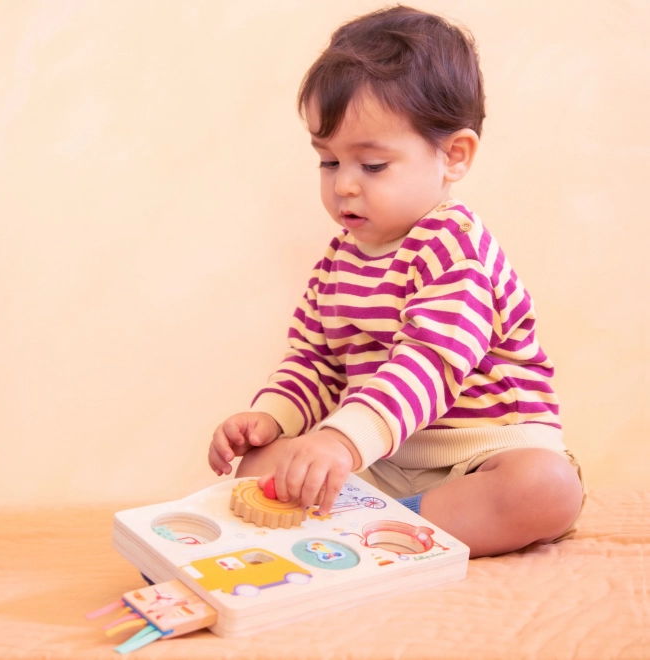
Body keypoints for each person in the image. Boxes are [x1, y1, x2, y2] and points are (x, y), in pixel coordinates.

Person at [207, 5, 585, 558]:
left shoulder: (455, 246)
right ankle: (377, 521)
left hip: (479, 452)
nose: (345, 187)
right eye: (329, 162)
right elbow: (314, 360)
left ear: (453, 156)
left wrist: (339, 440)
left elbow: (429, 362)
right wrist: (270, 417)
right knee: (260, 463)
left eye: (373, 165)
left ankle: (383, 533)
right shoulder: (338, 260)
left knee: (546, 488)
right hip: (381, 455)